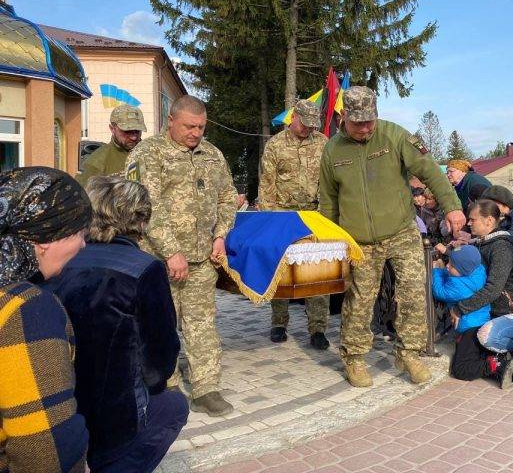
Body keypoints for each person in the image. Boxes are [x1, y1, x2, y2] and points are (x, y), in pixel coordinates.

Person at [318, 86, 465, 388]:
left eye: (370, 120)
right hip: (359, 240)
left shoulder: (395, 136)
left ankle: (409, 353)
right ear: (344, 116)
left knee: (413, 291)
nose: (366, 128)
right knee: (359, 300)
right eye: (358, 122)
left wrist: (452, 206)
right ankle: (354, 357)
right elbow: (329, 200)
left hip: (401, 231)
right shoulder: (332, 150)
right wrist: (332, 239)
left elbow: (431, 172)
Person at [43, 176, 188, 472]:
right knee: (174, 406)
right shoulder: (145, 268)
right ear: (141, 220)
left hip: (58, 403)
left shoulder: (57, 260)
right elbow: (160, 356)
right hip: (114, 418)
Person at [126, 95, 238, 417]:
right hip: (160, 262)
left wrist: (220, 235)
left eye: (201, 127)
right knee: (161, 325)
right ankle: (167, 385)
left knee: (203, 325)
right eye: (189, 126)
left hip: (203, 259)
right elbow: (144, 207)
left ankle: (206, 388)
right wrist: (171, 251)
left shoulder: (213, 155)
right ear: (171, 120)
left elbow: (228, 198)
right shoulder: (147, 153)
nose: (196, 133)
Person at [0, 167, 91, 473]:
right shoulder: (25, 310)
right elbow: (46, 451)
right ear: (44, 239)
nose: (83, 245)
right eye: (79, 232)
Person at [259, 99, 331, 350]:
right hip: (282, 216)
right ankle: (279, 322)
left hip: (314, 215)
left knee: (318, 272)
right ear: (294, 118)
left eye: (313, 125)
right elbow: (267, 184)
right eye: (304, 124)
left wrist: (326, 215)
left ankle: (318, 328)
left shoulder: (323, 143)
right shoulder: (275, 145)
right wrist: (269, 220)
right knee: (281, 272)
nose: (308, 129)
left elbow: (329, 182)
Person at [445, 200, 513, 379]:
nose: (468, 223)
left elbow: (493, 289)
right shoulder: (481, 243)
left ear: (489, 221)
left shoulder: (501, 247)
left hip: (504, 312)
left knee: (478, 345)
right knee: (464, 360)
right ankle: (495, 363)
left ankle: (505, 359)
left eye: (473, 219)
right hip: (485, 311)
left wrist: (460, 308)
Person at [431, 246, 504, 383]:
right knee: (474, 352)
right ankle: (491, 359)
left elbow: (439, 290)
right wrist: (447, 259)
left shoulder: (458, 289)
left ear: (463, 271)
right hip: (480, 322)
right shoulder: (478, 271)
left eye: (451, 265)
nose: (447, 266)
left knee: (460, 369)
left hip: (468, 328)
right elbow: (457, 271)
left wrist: (436, 270)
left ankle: (494, 366)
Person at [77, 104, 147, 186]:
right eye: (127, 131)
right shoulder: (97, 162)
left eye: (137, 131)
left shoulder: (153, 153)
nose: (134, 137)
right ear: (112, 129)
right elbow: (83, 195)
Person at [480, 184, 513, 281]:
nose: (486, 208)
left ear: (502, 204)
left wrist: (480, 240)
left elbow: (506, 248)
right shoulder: (506, 217)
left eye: (489, 204)